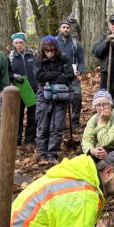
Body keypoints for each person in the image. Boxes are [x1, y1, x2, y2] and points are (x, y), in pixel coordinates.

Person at [34, 36, 75, 164]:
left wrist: (50, 78)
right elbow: (39, 77)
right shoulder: (38, 60)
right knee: (43, 126)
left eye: (52, 49)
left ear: (56, 48)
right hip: (43, 96)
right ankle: (42, 154)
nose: (50, 52)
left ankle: (52, 154)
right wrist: (58, 74)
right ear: (43, 50)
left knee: (57, 127)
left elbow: (69, 76)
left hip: (61, 96)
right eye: (47, 50)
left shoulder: (65, 58)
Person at [92, 14, 114, 111]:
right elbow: (96, 52)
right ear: (109, 25)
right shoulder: (104, 37)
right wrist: (106, 43)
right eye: (112, 23)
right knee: (104, 99)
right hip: (106, 74)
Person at [8, 32, 38, 146]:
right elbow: (7, 72)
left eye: (21, 42)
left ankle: (30, 140)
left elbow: (38, 69)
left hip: (33, 89)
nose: (19, 45)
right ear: (13, 44)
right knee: (17, 115)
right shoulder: (10, 56)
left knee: (33, 115)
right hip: (17, 90)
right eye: (16, 43)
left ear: (24, 42)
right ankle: (16, 141)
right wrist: (13, 77)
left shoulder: (33, 54)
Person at [56, 19, 85, 127]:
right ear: (60, 28)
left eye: (68, 27)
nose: (66, 29)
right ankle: (60, 124)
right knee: (60, 100)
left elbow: (81, 61)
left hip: (73, 76)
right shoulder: (54, 42)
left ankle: (75, 123)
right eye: (63, 27)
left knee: (77, 98)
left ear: (70, 29)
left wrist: (80, 71)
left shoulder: (76, 44)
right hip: (58, 76)